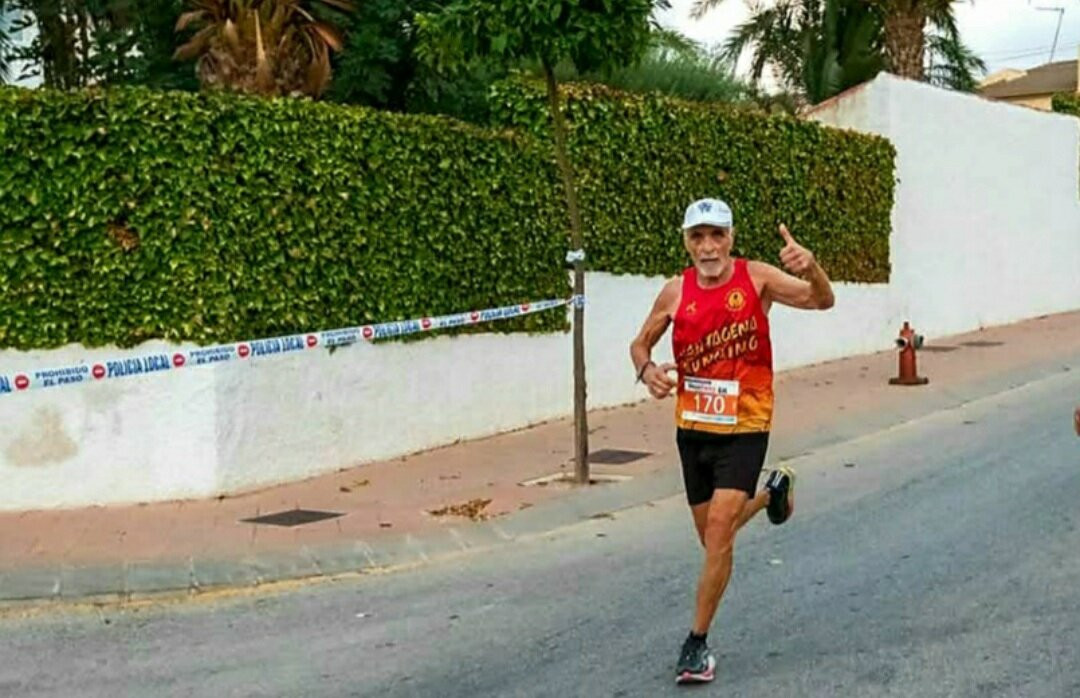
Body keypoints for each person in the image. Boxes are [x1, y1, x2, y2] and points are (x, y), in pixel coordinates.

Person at [629, 198, 835, 685]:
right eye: (698, 237)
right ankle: (772, 494)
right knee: (712, 538)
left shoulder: (757, 278)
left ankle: (695, 645)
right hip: (694, 428)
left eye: (716, 235)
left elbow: (821, 300)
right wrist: (647, 370)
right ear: (686, 242)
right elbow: (640, 343)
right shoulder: (674, 292)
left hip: (746, 423)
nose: (708, 246)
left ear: (731, 238)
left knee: (720, 530)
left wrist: (815, 268)